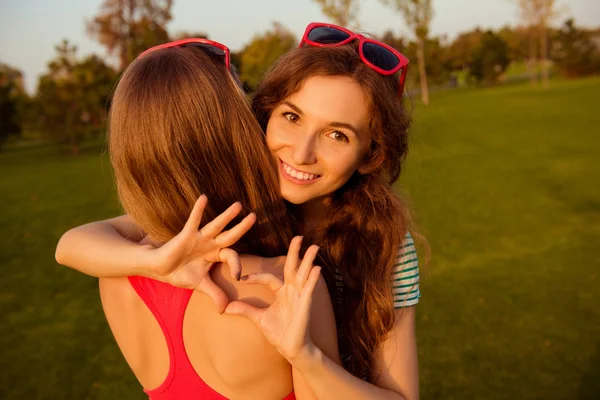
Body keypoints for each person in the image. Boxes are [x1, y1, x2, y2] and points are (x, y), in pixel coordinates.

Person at [56, 23, 423, 399]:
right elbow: (72, 243)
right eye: (292, 117)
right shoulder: (233, 209)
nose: (301, 153)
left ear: (371, 154)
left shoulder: (386, 246)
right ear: (263, 115)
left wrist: (307, 358)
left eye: (337, 135)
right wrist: (157, 260)